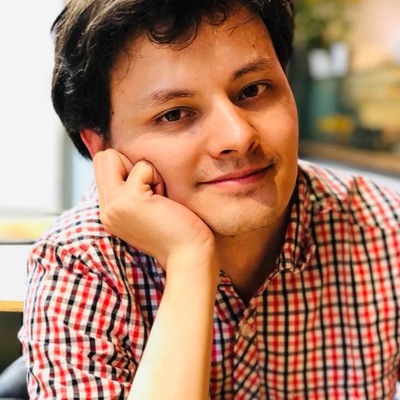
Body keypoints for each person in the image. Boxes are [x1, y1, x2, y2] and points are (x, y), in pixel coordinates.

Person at [18, 0, 400, 398]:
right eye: (175, 114)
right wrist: (189, 260)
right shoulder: (80, 263)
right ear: (102, 148)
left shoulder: (384, 229)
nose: (238, 136)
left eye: (253, 90)